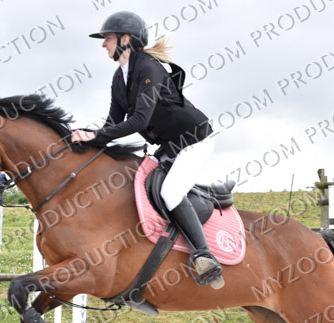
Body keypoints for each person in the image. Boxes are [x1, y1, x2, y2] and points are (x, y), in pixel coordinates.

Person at [72, 11, 224, 289]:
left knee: (170, 192)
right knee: (140, 185)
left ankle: (204, 256)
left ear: (125, 39)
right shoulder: (120, 77)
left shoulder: (148, 68)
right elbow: (112, 124)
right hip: (170, 145)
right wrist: (85, 139)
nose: (103, 44)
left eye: (107, 38)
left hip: (195, 140)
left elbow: (139, 121)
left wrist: (95, 136)